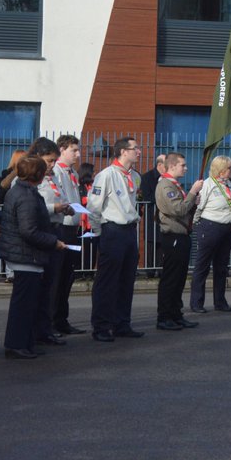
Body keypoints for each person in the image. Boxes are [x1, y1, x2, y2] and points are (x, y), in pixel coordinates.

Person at [0, 156, 67, 359]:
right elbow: (28, 230)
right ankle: (16, 344)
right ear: (38, 174)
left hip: (25, 254)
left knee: (26, 302)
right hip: (26, 255)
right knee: (23, 303)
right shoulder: (26, 195)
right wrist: (53, 242)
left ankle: (23, 342)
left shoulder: (22, 190)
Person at [87, 137, 143, 342]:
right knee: (107, 281)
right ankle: (101, 325)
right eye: (134, 148)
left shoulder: (134, 176)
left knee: (127, 280)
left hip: (129, 230)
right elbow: (94, 207)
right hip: (112, 230)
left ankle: (122, 323)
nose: (138, 151)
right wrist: (99, 232)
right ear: (122, 152)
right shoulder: (106, 175)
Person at [27, 137, 69, 348]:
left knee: (52, 283)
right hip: (43, 231)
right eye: (49, 160)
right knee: (42, 284)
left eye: (54, 161)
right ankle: (37, 329)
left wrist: (65, 207)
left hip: (56, 228)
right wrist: (55, 208)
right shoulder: (30, 178)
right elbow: (34, 206)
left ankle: (46, 328)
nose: (52, 165)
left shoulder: (52, 177)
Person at [155, 152, 198, 331]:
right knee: (171, 278)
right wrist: (193, 193)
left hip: (182, 235)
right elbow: (178, 209)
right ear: (172, 166)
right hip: (173, 236)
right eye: (182, 165)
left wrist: (193, 201)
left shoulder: (174, 184)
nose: (186, 168)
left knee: (180, 278)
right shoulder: (166, 186)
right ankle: (164, 316)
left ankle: (176, 314)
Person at [189, 155, 231, 314]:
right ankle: (197, 302)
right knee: (202, 266)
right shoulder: (208, 184)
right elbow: (199, 207)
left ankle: (220, 301)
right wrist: (197, 225)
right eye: (229, 168)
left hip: (228, 227)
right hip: (210, 227)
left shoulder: (229, 184)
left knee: (222, 267)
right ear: (221, 170)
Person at [49, 135, 85, 335]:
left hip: (73, 227)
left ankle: (62, 318)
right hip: (62, 226)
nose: (77, 155)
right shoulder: (56, 171)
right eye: (74, 150)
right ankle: (53, 320)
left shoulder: (73, 173)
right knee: (57, 276)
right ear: (62, 149)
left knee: (67, 277)